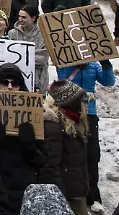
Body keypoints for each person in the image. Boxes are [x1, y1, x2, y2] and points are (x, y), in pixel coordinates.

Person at [0, 63, 47, 214]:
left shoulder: (33, 111)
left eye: (15, 83)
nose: (10, 87)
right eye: (5, 82)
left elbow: (42, 160)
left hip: (22, 185)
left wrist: (30, 147)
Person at [56, 58, 114, 214]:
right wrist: (72, 64)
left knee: (92, 155)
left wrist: (106, 65)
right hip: (69, 114)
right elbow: (62, 81)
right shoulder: (64, 63)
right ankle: (71, 194)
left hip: (89, 114)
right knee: (72, 154)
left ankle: (93, 196)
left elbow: (108, 82)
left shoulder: (93, 65)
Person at [42, 80, 92, 215]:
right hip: (67, 196)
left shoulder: (75, 122)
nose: (86, 106)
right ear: (72, 104)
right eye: (82, 102)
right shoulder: (54, 127)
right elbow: (51, 166)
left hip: (76, 192)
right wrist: (61, 197)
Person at [9, 5, 49, 92]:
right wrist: (30, 55)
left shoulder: (43, 34)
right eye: (19, 16)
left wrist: (20, 56)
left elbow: (42, 59)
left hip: (39, 80)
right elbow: (10, 57)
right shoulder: (12, 33)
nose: (20, 19)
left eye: (24, 17)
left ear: (33, 18)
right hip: (16, 82)